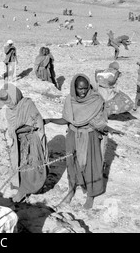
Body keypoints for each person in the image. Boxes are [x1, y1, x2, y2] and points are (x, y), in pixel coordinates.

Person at [44, 74, 123, 209]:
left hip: (89, 136)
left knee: (90, 166)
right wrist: (50, 120)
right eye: (80, 89)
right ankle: (71, 190)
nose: (83, 92)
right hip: (73, 136)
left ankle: (90, 195)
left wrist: (109, 129)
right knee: (72, 164)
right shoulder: (70, 100)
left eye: (86, 88)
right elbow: (67, 119)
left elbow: (99, 122)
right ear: (74, 88)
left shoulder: (96, 100)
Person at [0, 83, 48, 203]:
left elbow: (36, 123)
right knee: (18, 163)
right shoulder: (9, 111)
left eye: (9, 99)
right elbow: (11, 127)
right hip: (18, 142)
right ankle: (20, 186)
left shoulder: (27, 105)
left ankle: (24, 190)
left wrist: (17, 130)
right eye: (5, 101)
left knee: (29, 165)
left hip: (30, 141)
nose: (8, 103)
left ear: (14, 95)